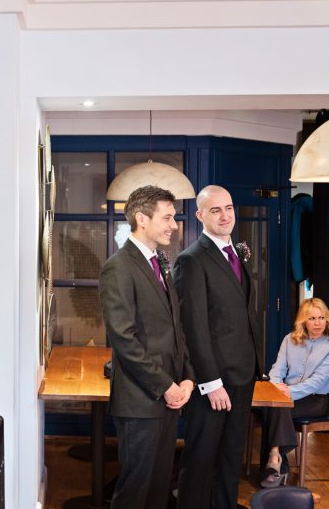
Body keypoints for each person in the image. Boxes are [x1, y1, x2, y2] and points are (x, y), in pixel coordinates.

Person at [98, 185, 195, 509]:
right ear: (142, 218)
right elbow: (124, 339)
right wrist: (165, 386)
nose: (174, 224)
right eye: (167, 217)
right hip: (141, 400)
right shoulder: (119, 267)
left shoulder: (160, 263)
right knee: (134, 491)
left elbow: (175, 330)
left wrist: (186, 378)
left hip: (168, 397)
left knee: (157, 490)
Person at [173, 185, 263, 509]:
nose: (225, 215)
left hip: (243, 374)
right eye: (215, 210)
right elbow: (193, 328)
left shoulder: (237, 253)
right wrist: (210, 383)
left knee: (231, 457)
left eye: (228, 208)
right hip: (215, 381)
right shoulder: (191, 260)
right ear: (200, 216)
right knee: (200, 459)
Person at [260, 297, 329, 487]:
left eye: (321, 318)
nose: (317, 323)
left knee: (277, 407)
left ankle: (276, 461)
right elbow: (277, 370)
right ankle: (276, 459)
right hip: (286, 396)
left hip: (313, 401)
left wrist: (287, 391)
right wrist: (275, 387)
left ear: (327, 319)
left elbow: (318, 381)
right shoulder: (289, 340)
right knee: (276, 405)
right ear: (303, 321)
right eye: (312, 318)